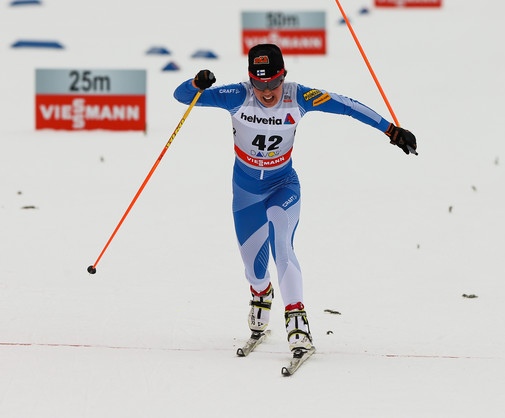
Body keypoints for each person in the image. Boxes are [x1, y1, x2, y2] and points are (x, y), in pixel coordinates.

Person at [173, 43, 417, 355]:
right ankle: (261, 295)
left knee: (282, 244)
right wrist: (197, 83)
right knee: (253, 268)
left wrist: (390, 130)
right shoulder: (236, 96)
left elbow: (347, 105)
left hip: (282, 185)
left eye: (274, 82)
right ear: (250, 80)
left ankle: (296, 319)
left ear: (283, 76)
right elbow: (182, 97)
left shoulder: (298, 96)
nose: (267, 92)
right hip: (246, 193)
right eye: (260, 84)